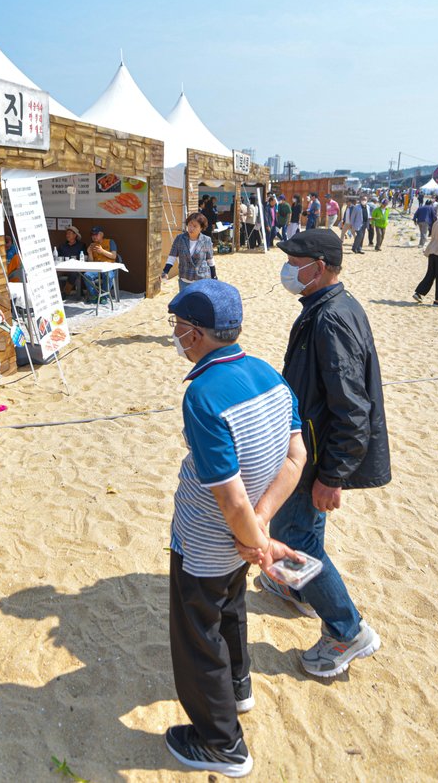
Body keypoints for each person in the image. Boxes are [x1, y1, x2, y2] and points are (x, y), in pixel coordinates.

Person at [163, 280, 307, 778]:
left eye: (178, 327)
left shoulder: (202, 394)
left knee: (197, 633)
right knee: (231, 607)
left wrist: (255, 540)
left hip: (208, 538)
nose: (176, 336)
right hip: (244, 534)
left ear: (198, 333)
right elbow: (296, 455)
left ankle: (221, 743)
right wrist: (262, 526)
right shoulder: (268, 372)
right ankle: (239, 685)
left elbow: (230, 495)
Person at [269, 228, 389, 678]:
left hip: (317, 457)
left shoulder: (331, 318)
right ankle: (299, 591)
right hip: (312, 447)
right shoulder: (325, 306)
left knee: (292, 539)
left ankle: (347, 630)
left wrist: (333, 474)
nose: (287, 269)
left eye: (294, 261)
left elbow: (352, 408)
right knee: (302, 534)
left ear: (318, 268)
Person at [164, 214, 218, 286]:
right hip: (185, 278)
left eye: (195, 226)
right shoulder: (179, 239)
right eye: (189, 225)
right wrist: (165, 271)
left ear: (201, 228)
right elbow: (172, 256)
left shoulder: (206, 240)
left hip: (202, 279)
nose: (191, 228)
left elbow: (210, 260)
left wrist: (214, 276)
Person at [84, 225, 120, 301]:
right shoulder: (92, 245)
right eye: (92, 235)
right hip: (96, 268)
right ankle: (95, 295)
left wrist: (102, 251)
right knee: (86, 275)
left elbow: (114, 256)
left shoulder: (110, 242)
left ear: (101, 234)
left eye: (96, 234)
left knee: (109, 276)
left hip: (108, 267)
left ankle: (104, 297)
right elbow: (90, 263)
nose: (94, 237)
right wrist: (89, 253)